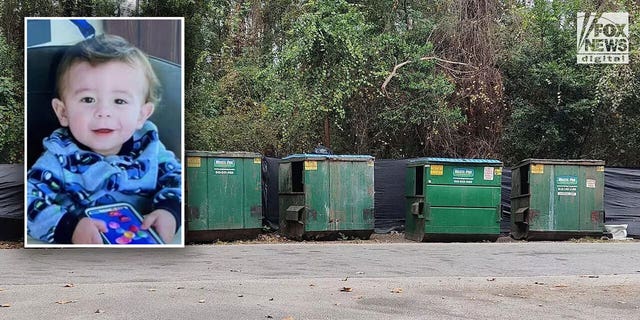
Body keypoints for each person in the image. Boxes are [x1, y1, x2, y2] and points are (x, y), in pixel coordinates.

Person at [26, 34, 181, 244]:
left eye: (119, 100)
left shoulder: (150, 146)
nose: (103, 111)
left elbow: (178, 179)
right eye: (88, 99)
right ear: (63, 112)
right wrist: (69, 228)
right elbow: (28, 199)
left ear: (141, 115)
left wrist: (170, 211)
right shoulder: (59, 157)